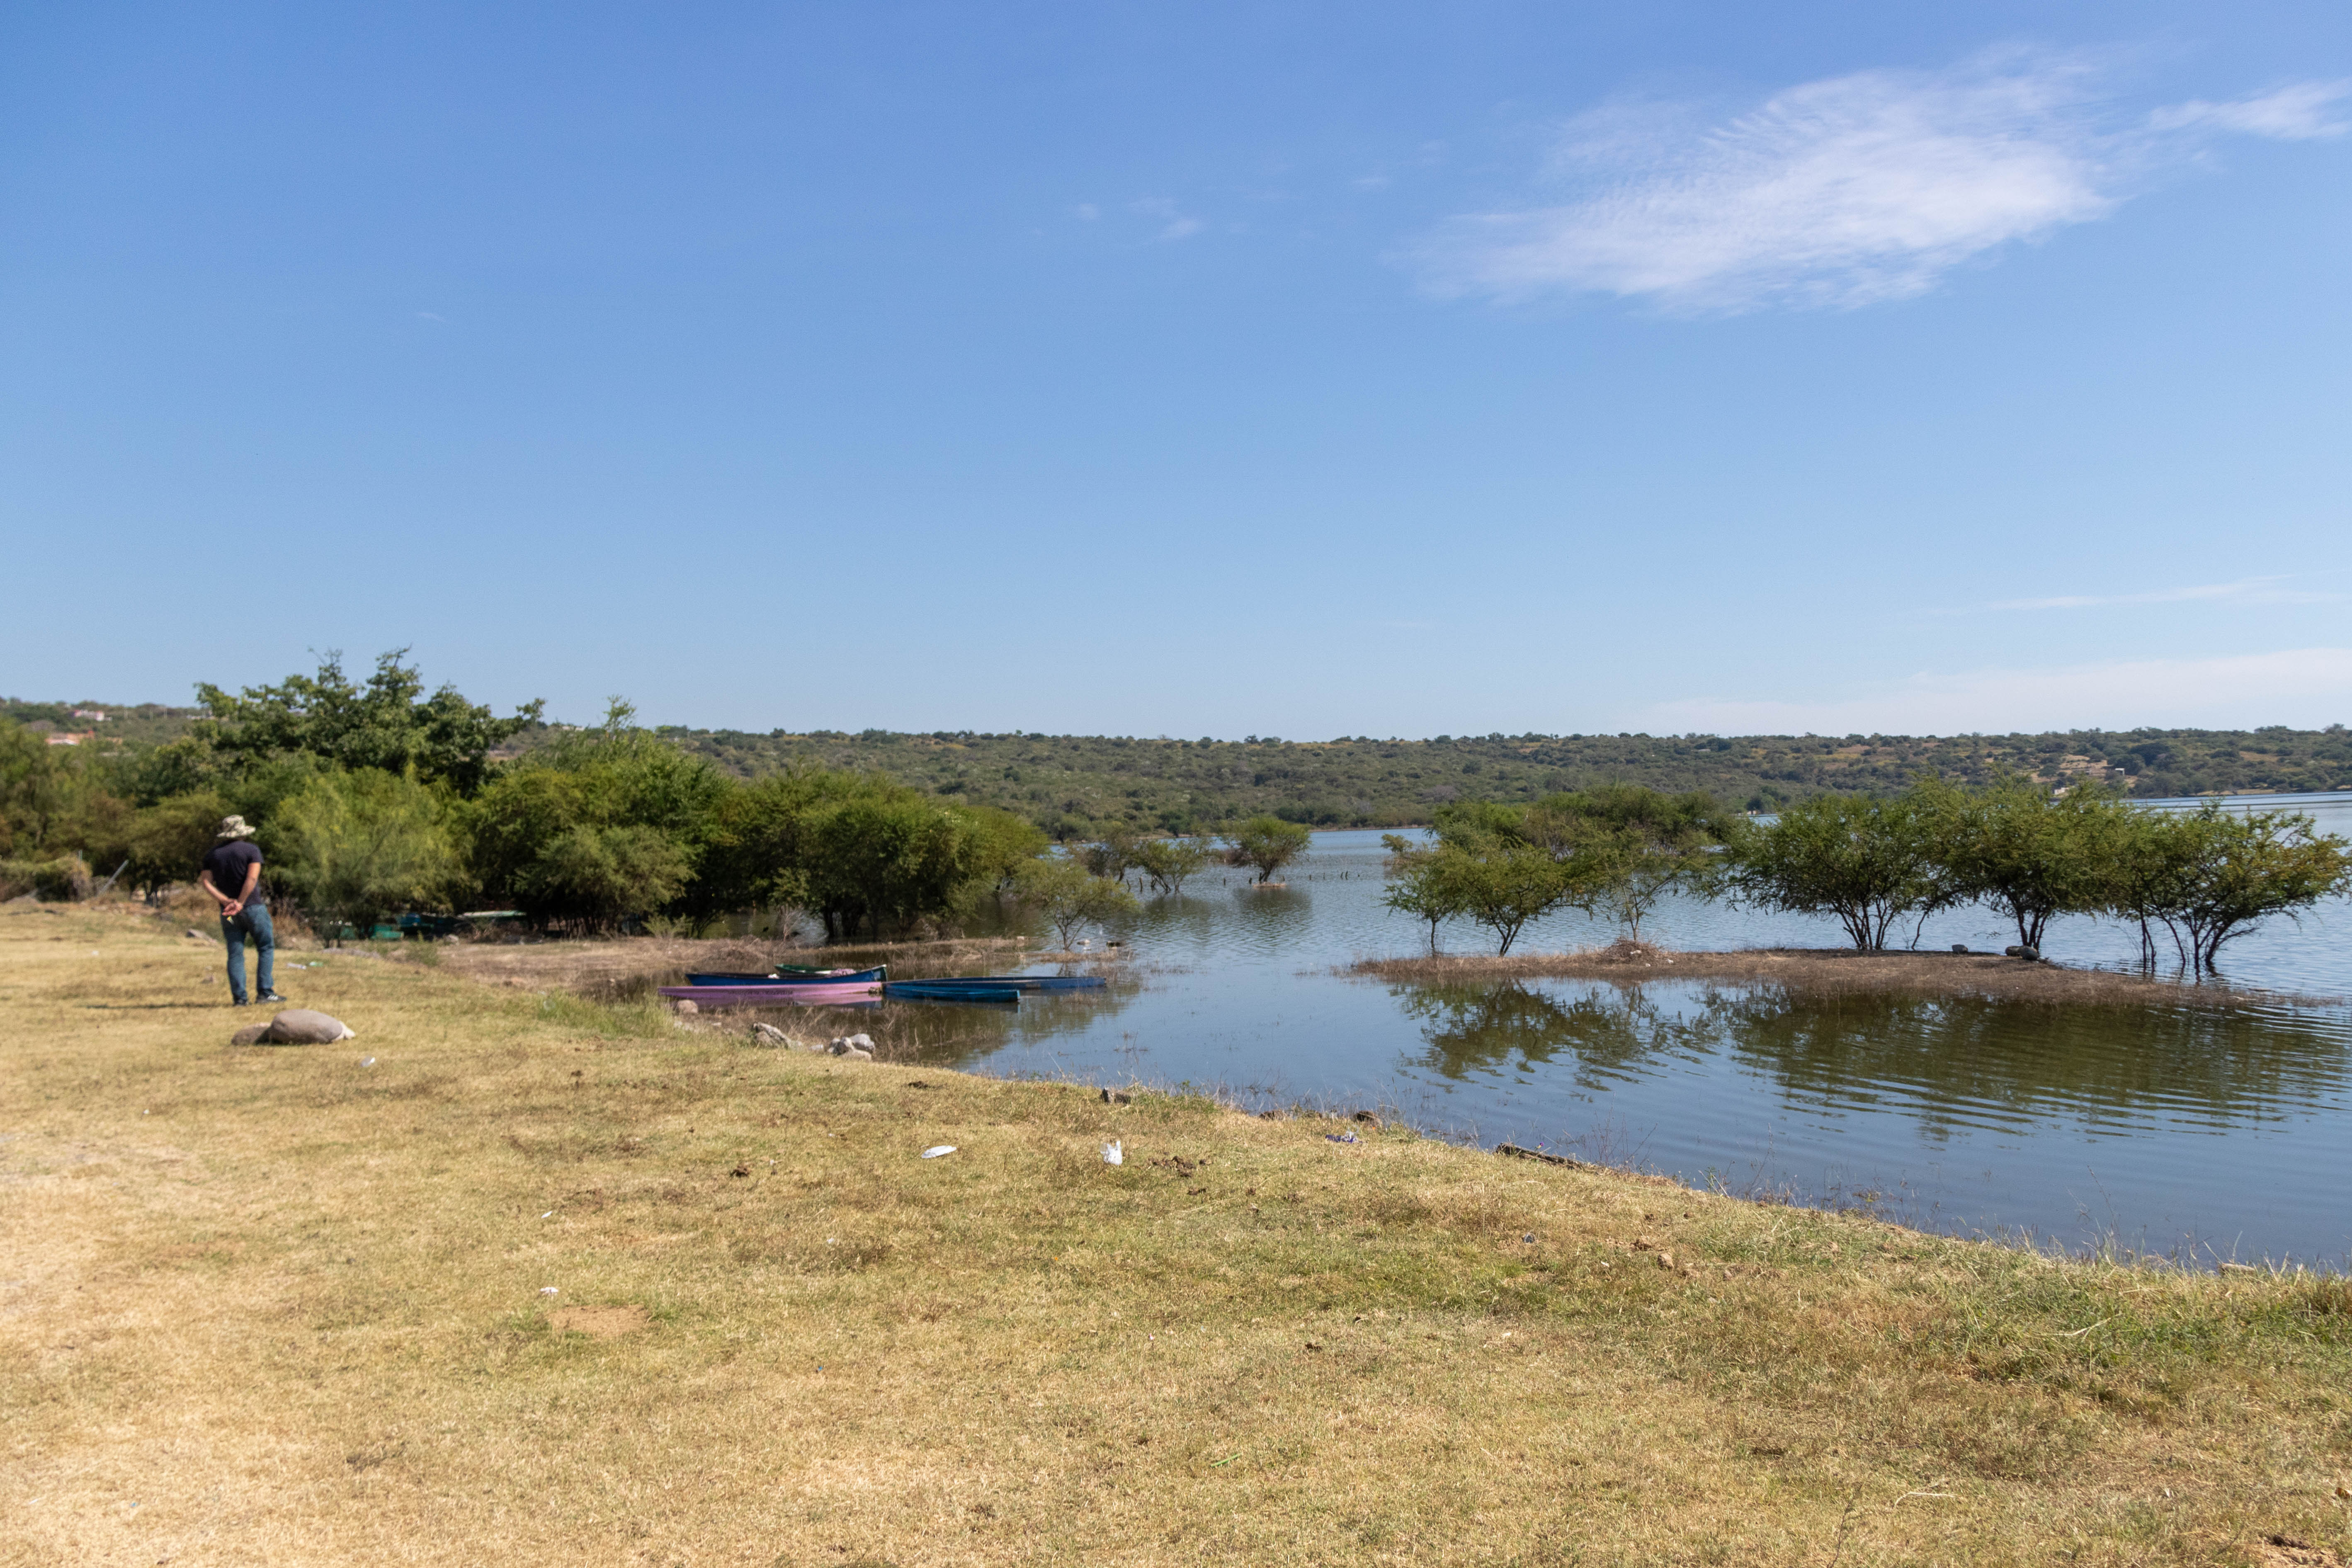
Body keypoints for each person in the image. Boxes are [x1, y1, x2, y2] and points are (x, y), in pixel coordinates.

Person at [199, 815, 285, 1007]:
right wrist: (241, 902)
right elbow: (252, 880)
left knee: (235, 951)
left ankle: (240, 999)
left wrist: (226, 901)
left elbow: (205, 882)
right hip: (253, 908)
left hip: (228, 914)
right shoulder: (251, 850)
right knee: (265, 947)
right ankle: (265, 992)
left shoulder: (212, 855)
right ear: (243, 833)